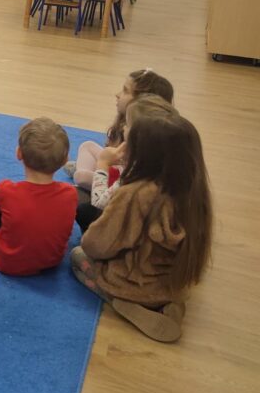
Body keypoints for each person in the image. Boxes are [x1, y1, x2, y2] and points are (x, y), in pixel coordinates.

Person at [71, 105, 213, 343]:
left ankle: (122, 303)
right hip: (172, 284)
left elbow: (95, 245)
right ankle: (170, 305)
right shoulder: (195, 193)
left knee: (77, 256)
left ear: (143, 154)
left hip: (130, 283)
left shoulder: (135, 194)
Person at [0, 118, 77, 276]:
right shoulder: (70, 193)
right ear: (65, 160)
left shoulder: (7, 189)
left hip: (9, 262)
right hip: (51, 261)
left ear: (19, 153)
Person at [75, 95, 179, 233]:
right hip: (146, 224)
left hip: (127, 231)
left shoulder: (134, 172)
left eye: (128, 124)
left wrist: (102, 164)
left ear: (138, 136)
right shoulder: (169, 163)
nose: (124, 127)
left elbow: (99, 203)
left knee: (83, 209)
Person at [67, 69, 173, 193]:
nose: (117, 94)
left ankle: (85, 177)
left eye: (125, 91)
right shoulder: (126, 124)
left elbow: (129, 176)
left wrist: (103, 166)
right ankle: (85, 171)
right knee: (87, 146)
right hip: (117, 171)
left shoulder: (145, 138)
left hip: (122, 183)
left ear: (141, 101)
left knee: (81, 176)